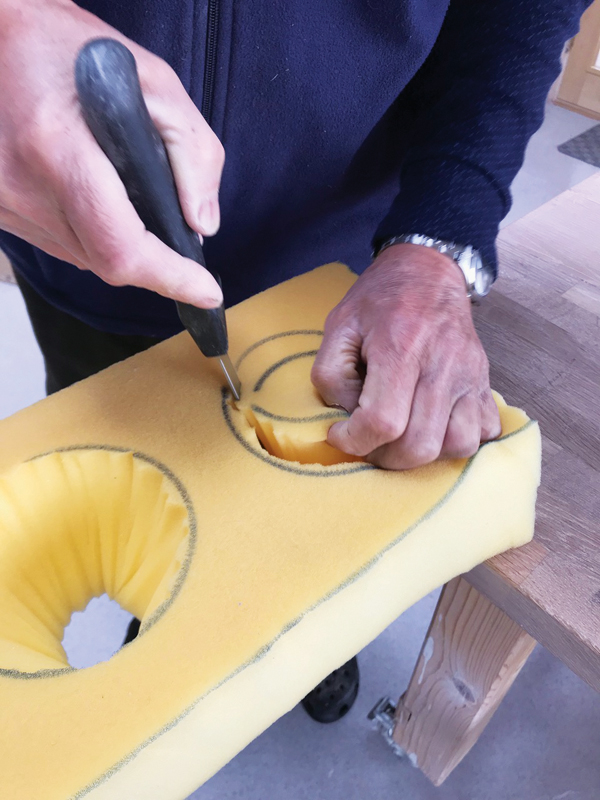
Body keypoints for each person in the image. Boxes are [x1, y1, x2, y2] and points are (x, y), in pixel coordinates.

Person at [0, 0, 589, 719]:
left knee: (319, 528)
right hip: (82, 255)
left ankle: (315, 646)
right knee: (145, 506)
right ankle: (170, 617)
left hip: (334, 267)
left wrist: (443, 232)